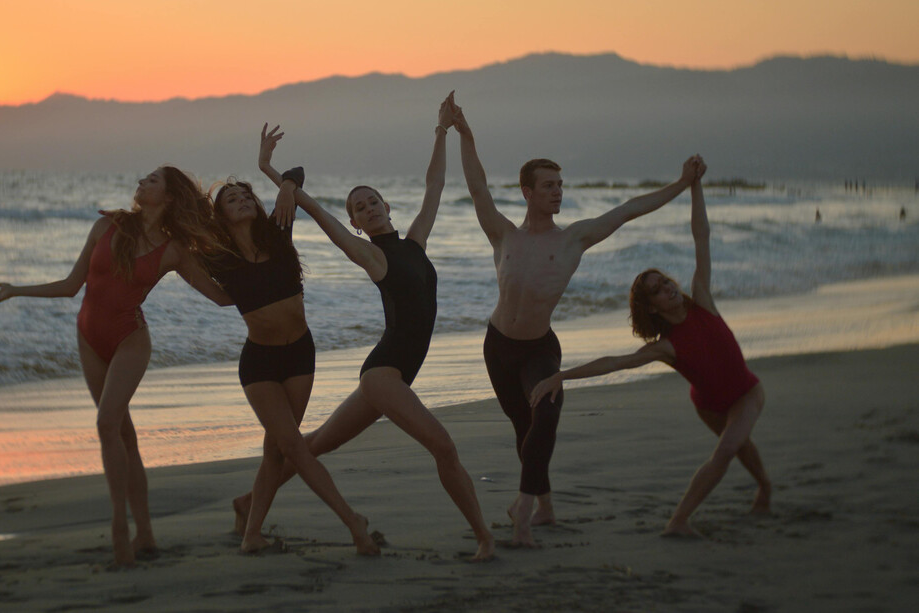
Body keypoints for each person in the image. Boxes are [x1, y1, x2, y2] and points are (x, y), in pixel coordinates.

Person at [235, 92, 496, 561]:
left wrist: (442, 130)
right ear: (356, 223)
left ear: (386, 206)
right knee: (444, 445)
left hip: (386, 377)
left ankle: (249, 503)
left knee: (311, 446)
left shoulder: (415, 243)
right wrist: (274, 177)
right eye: (359, 207)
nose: (367, 208)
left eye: (372, 201)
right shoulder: (372, 257)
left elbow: (434, 185)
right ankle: (484, 538)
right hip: (384, 375)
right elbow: (321, 216)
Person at [453, 100, 699, 547]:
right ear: (527, 192)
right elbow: (476, 187)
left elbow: (629, 209)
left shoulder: (573, 239)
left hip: (540, 349)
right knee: (524, 430)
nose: (558, 192)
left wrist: (682, 183)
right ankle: (544, 507)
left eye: (560, 185)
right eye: (548, 185)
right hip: (498, 347)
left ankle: (523, 510)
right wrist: (465, 134)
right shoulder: (504, 234)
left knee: (544, 417)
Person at [0, 167, 232, 567]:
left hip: (130, 339)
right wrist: (15, 291)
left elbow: (219, 297)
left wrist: (265, 275)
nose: (141, 182)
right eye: (144, 178)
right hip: (88, 337)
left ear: (168, 197)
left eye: (152, 180)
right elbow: (70, 285)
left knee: (105, 424)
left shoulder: (172, 250)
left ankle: (119, 525)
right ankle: (145, 534)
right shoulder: (105, 226)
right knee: (122, 436)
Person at [530, 158, 771, 537]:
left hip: (746, 391)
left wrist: (694, 185)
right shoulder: (666, 348)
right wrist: (563, 374)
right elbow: (614, 363)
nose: (669, 288)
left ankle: (678, 520)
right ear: (652, 307)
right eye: (657, 290)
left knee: (726, 450)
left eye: (666, 282)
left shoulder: (702, 301)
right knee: (737, 446)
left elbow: (701, 237)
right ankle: (765, 486)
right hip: (708, 405)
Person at [207, 176, 379, 556]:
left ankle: (250, 524)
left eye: (246, 195)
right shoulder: (219, 256)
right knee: (295, 448)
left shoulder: (277, 233)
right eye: (231, 199)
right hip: (260, 364)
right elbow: (180, 235)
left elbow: (297, 175)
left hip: (300, 355)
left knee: (276, 451)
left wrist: (282, 182)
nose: (242, 201)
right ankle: (354, 523)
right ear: (220, 215)